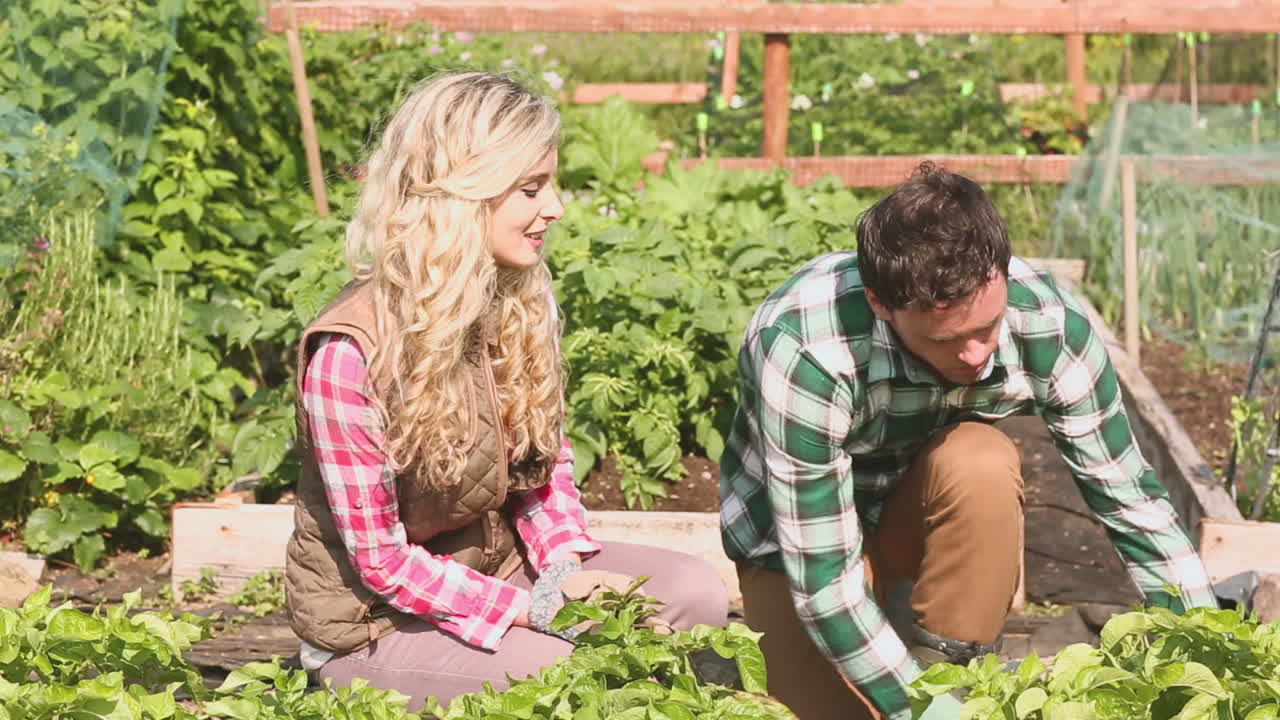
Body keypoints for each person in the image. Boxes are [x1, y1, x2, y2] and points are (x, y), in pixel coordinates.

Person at [283, 71, 728, 710]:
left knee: (695, 592)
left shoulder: (518, 298)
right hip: (375, 623)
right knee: (572, 676)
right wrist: (537, 610)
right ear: (465, 194)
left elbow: (545, 467)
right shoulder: (349, 354)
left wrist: (562, 574)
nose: (556, 207)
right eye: (531, 188)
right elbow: (380, 562)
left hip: (497, 569)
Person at [719, 162, 1217, 720]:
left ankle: (952, 671)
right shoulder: (806, 349)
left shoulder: (1050, 324)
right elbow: (826, 582)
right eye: (949, 339)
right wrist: (924, 713)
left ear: (999, 273)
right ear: (883, 304)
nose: (977, 354)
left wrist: (1213, 653)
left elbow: (1134, 504)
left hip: (916, 525)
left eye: (987, 328)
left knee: (981, 460)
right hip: (798, 554)